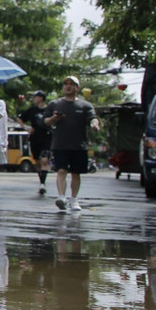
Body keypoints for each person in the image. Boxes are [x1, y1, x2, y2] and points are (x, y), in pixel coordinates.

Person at [45, 75, 99, 211]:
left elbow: (93, 118)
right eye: (66, 84)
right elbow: (45, 121)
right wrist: (54, 118)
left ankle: (74, 199)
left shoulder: (85, 105)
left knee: (76, 173)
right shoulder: (54, 104)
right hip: (60, 144)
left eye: (71, 84)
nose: (68, 86)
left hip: (79, 145)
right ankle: (61, 197)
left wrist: (94, 124)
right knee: (61, 170)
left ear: (77, 88)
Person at [16, 90, 53, 194]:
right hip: (35, 138)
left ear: (41, 98)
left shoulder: (49, 110)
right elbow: (20, 118)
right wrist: (26, 127)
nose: (33, 99)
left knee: (44, 160)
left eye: (35, 97)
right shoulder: (32, 110)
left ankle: (43, 184)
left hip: (47, 137)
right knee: (37, 162)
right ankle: (41, 181)